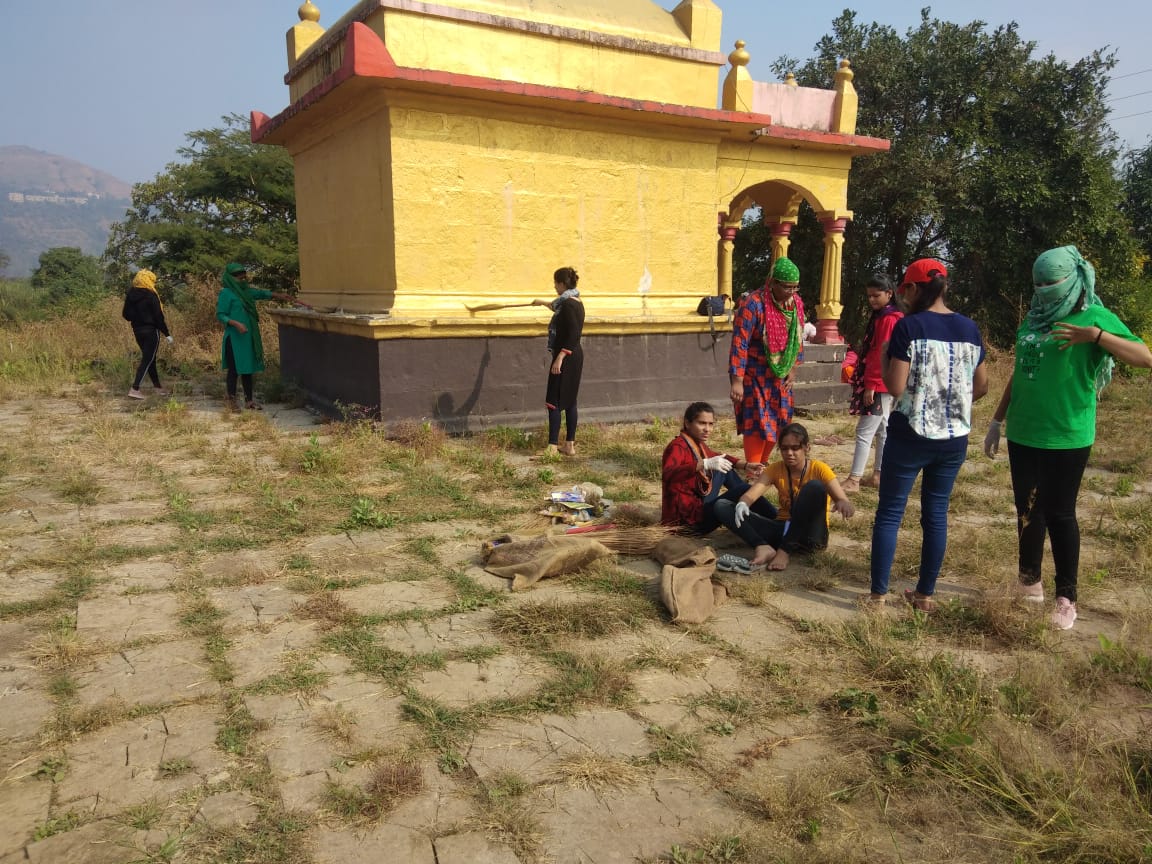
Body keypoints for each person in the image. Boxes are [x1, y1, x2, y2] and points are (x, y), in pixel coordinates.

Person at [984, 245, 1152, 630]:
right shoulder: (1033, 319)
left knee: (1059, 514)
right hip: (1024, 432)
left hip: (1067, 434)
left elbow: (1144, 357)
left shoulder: (1094, 315)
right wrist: (997, 419)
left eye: (1051, 283)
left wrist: (1095, 336)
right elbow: (1023, 371)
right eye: (1037, 283)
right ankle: (1029, 583)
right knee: (1027, 512)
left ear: (1073, 279)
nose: (1043, 290)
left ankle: (1066, 597)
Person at [868, 259, 988, 610]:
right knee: (936, 514)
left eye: (904, 290)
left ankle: (877, 595)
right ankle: (924, 595)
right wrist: (950, 404)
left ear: (912, 289)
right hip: (953, 439)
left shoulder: (909, 328)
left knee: (890, 512)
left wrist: (884, 355)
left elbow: (894, 386)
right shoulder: (970, 329)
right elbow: (981, 386)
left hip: (910, 435)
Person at [713, 422, 853, 571]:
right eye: (784, 448)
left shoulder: (819, 469)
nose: (789, 453)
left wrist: (843, 504)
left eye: (795, 448)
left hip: (810, 537)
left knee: (815, 487)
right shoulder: (776, 469)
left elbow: (843, 499)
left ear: (807, 447)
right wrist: (742, 504)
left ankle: (784, 551)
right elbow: (751, 495)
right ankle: (762, 546)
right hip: (782, 529)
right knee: (721, 506)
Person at [729, 257, 806, 464]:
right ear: (773, 282)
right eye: (787, 287)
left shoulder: (796, 304)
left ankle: (762, 464)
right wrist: (737, 380)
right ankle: (754, 468)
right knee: (757, 422)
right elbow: (740, 342)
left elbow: (797, 336)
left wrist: (793, 367)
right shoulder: (753, 304)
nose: (791, 292)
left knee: (780, 421)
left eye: (795, 287)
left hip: (781, 375)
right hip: (755, 374)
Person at [661, 401, 776, 534]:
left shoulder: (696, 443)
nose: (707, 429)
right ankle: (776, 518)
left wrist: (745, 465)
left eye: (711, 424)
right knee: (744, 489)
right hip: (688, 523)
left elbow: (717, 456)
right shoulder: (677, 446)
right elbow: (668, 474)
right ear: (687, 423)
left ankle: (753, 511)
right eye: (702, 423)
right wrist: (703, 464)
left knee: (725, 469)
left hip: (698, 506)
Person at [842, 274, 903, 492]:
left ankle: (854, 479)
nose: (872, 300)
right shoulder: (888, 316)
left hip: (880, 383)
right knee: (883, 429)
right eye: (869, 296)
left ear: (889, 293)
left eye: (876, 295)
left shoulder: (887, 319)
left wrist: (872, 384)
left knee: (865, 431)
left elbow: (881, 352)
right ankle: (878, 474)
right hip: (888, 382)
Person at [216, 263, 292, 410]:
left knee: (247, 369)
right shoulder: (226, 293)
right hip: (235, 337)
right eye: (239, 277)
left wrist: (280, 295)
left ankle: (249, 401)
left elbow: (262, 294)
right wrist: (236, 323)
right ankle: (231, 401)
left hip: (248, 337)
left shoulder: (246, 292)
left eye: (244, 276)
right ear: (231, 278)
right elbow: (221, 315)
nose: (242, 279)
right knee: (234, 370)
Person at [532, 267, 584, 457]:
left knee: (553, 399)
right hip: (574, 355)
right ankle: (569, 445)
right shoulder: (575, 301)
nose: (554, 286)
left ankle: (552, 447)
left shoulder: (569, 306)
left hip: (567, 357)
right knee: (570, 400)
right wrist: (541, 303)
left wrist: (560, 358)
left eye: (555, 283)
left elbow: (573, 334)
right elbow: (557, 306)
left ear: (562, 284)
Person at [122, 269, 172, 399]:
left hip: (137, 331)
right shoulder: (151, 294)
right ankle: (135, 388)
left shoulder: (131, 294)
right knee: (147, 359)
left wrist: (137, 318)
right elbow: (158, 316)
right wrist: (167, 333)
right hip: (151, 331)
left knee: (151, 359)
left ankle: (158, 388)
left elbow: (126, 314)